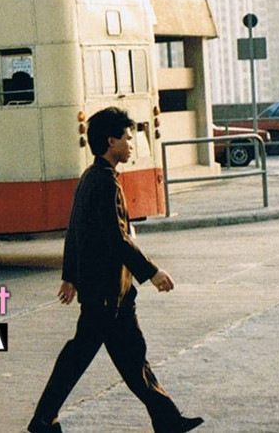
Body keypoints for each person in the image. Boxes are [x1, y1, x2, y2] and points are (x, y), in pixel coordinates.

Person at [27, 107, 203, 433]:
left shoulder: (90, 177)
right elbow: (117, 238)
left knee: (129, 357)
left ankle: (167, 420)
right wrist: (152, 272)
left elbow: (74, 229)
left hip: (110, 292)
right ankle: (43, 419)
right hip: (107, 293)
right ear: (111, 142)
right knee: (84, 357)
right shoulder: (105, 183)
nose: (131, 144)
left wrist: (70, 276)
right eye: (127, 138)